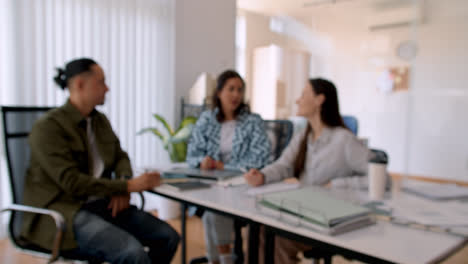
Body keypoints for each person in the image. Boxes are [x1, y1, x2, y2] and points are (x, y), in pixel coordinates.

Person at [21, 58, 179, 264]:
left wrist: (122, 185)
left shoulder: (99, 121)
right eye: (101, 82)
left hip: (101, 205)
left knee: (168, 237)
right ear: (79, 84)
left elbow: (120, 156)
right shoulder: (48, 127)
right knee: (132, 254)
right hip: (65, 212)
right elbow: (72, 182)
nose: (107, 88)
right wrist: (128, 185)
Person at [244, 78, 371, 264]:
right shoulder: (303, 136)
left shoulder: (344, 140)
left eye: (303, 94)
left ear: (319, 100)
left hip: (327, 219)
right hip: (305, 212)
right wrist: (262, 176)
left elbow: (381, 179)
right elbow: (284, 165)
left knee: (277, 238)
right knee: (258, 229)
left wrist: (337, 184)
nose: (298, 100)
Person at [186, 70, 271, 264]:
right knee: (211, 209)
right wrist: (202, 161)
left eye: (240, 90)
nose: (236, 95)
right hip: (210, 182)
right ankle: (221, 259)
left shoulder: (253, 121)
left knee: (214, 209)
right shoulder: (207, 119)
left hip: (242, 183)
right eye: (230, 89)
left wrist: (225, 166)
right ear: (219, 92)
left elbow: (261, 158)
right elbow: (192, 152)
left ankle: (221, 259)